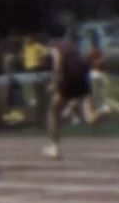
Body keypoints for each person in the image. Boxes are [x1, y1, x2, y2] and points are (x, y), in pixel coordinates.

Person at [44, 29, 111, 160]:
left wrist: (55, 82)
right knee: (89, 117)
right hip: (82, 76)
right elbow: (84, 61)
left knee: (53, 111)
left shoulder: (54, 44)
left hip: (68, 78)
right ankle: (103, 110)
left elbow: (58, 62)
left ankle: (54, 147)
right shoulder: (74, 45)